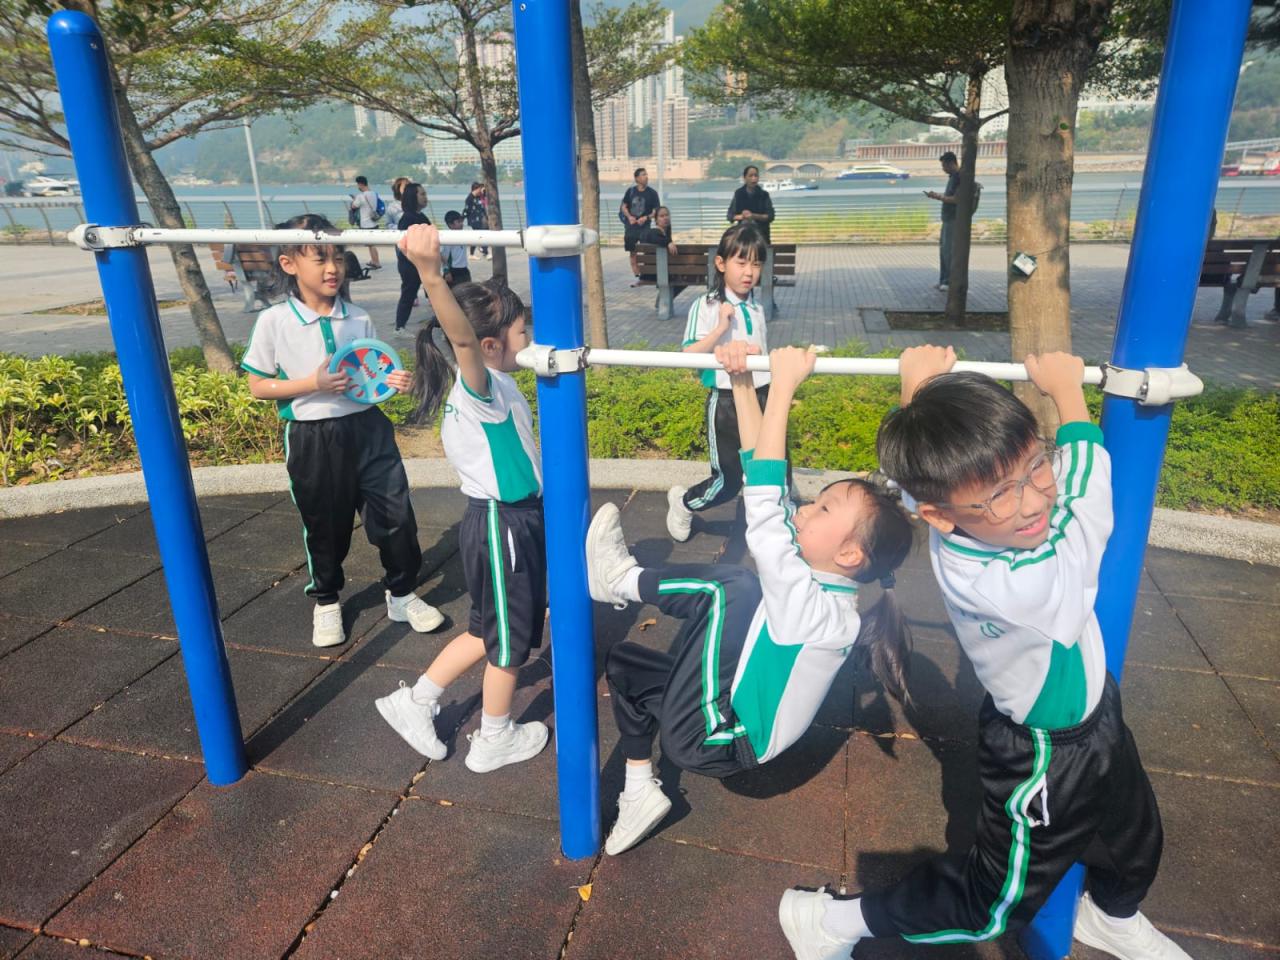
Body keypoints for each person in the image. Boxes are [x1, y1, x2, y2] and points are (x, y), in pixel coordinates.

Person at [779, 345, 1189, 960]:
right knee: (989, 904)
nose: (1033, 503)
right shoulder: (1022, 584)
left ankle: (1113, 915)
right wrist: (1068, 395)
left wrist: (920, 393)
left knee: (1135, 836)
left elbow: (921, 487)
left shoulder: (954, 522)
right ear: (943, 517)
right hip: (1043, 755)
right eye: (999, 495)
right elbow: (1088, 504)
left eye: (1036, 467)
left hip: (1096, 713)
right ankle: (833, 919)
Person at [586, 343, 915, 856]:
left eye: (823, 509)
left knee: (734, 589)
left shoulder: (823, 615)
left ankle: (621, 581)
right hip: (718, 725)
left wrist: (781, 387)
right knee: (626, 666)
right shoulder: (818, 585)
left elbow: (765, 510)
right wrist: (742, 384)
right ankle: (638, 789)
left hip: (720, 737)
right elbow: (767, 486)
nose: (804, 509)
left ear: (850, 554)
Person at [373, 223, 549, 774]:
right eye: (523, 332)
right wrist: (430, 272)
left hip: (507, 522)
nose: (530, 341)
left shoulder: (487, 383)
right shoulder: (480, 385)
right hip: (503, 525)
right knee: (510, 643)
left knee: (484, 628)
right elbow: (464, 341)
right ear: (491, 345)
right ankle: (494, 737)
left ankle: (417, 699)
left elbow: (464, 347)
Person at [241, 213, 443, 648]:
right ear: (289, 264)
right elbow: (258, 385)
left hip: (369, 430)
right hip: (313, 437)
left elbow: (372, 375)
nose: (333, 268)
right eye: (320, 259)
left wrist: (394, 381)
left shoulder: (358, 317)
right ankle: (327, 600)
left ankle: (402, 593)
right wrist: (311, 383)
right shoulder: (275, 321)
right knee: (325, 524)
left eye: (337, 257)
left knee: (395, 517)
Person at [666, 222, 770, 543]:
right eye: (741, 262)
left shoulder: (757, 306)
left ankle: (772, 530)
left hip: (762, 396)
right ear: (721, 263)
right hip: (725, 401)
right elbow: (688, 354)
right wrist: (720, 329)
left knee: (773, 469)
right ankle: (684, 503)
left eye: (756, 264)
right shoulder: (707, 305)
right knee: (728, 481)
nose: (749, 272)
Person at [392, 182, 432, 333]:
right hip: (410, 264)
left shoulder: (420, 216)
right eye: (422, 194)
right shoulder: (408, 218)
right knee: (408, 295)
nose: (425, 197)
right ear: (412, 197)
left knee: (434, 293)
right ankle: (399, 327)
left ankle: (442, 325)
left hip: (422, 263)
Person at [925, 151, 961, 291]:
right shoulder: (953, 177)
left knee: (948, 252)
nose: (943, 169)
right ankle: (943, 280)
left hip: (953, 220)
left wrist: (937, 197)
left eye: (944, 166)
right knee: (943, 251)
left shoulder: (958, 177)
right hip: (947, 219)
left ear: (951, 163)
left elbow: (957, 199)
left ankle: (948, 282)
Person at [636, 206, 687, 300]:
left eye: (667, 215)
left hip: (657, 272)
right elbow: (648, 236)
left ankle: (663, 298)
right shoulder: (654, 232)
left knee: (687, 274)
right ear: (656, 220)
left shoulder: (664, 234)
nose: (665, 218)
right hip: (656, 273)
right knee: (688, 276)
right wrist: (668, 242)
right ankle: (663, 299)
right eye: (661, 216)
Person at [621, 167, 661, 286]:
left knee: (646, 251)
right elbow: (624, 206)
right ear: (637, 178)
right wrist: (629, 217)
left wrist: (646, 218)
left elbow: (656, 211)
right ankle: (637, 276)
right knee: (632, 251)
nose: (646, 177)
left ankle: (646, 276)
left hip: (645, 227)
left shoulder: (652, 193)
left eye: (646, 174)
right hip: (631, 227)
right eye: (643, 175)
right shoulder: (630, 191)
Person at [726, 165, 775, 245]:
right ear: (745, 178)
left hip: (761, 236)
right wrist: (743, 216)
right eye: (751, 176)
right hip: (743, 238)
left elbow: (770, 216)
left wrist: (753, 216)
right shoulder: (739, 193)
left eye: (756, 175)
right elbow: (730, 215)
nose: (754, 178)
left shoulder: (764, 195)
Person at [349, 175, 383, 270]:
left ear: (360, 184)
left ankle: (377, 262)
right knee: (371, 244)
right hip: (374, 222)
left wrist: (354, 199)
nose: (358, 187)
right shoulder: (374, 194)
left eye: (358, 185)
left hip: (366, 224)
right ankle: (373, 260)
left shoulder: (361, 196)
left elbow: (354, 206)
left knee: (371, 244)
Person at [441, 211, 472, 287]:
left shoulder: (463, 235)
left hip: (464, 269)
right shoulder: (448, 238)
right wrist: (446, 272)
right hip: (453, 271)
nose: (462, 224)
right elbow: (444, 257)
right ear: (450, 225)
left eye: (461, 221)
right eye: (458, 222)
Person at [463, 182, 490, 260]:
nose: (480, 191)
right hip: (474, 221)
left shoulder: (479, 197)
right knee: (482, 234)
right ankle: (485, 251)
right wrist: (462, 218)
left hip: (481, 220)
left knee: (477, 236)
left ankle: (472, 254)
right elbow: (466, 210)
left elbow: (485, 200)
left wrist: (484, 191)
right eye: (480, 189)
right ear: (476, 189)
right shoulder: (469, 198)